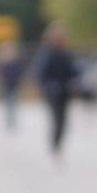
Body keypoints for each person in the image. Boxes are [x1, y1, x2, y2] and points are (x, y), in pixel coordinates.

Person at [34, 24, 80, 155]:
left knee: (63, 120)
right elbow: (41, 73)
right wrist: (48, 85)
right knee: (57, 118)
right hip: (52, 92)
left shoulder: (66, 53)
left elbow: (73, 70)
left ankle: (58, 143)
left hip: (65, 91)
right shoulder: (47, 53)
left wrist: (74, 81)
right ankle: (55, 144)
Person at [0, 41, 25, 131]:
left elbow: (20, 72)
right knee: (7, 103)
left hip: (14, 84)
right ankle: (8, 120)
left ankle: (13, 120)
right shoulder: (2, 62)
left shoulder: (16, 61)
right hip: (6, 85)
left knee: (14, 102)